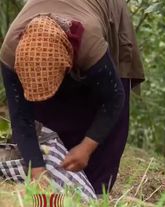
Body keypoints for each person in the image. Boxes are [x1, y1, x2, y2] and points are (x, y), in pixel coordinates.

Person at [0, 0, 145, 195]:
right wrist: (37, 172)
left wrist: (87, 147)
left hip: (103, 10)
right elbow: (21, 118)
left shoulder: (89, 42)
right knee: (44, 114)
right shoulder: (10, 52)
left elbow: (114, 99)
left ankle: (96, 191)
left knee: (103, 99)